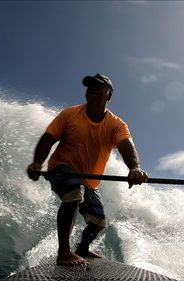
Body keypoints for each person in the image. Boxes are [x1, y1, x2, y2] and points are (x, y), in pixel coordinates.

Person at [26, 73, 148, 267]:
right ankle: (64, 252)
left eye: (98, 86)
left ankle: (82, 248)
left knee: (98, 223)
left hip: (89, 180)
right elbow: (49, 137)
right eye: (89, 86)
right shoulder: (70, 114)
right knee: (74, 192)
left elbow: (126, 145)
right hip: (61, 167)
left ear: (109, 95)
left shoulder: (116, 125)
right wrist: (37, 162)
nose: (92, 88)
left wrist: (135, 168)